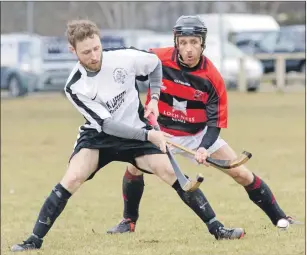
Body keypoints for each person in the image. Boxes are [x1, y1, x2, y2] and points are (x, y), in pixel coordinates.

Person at [11, 19, 245, 252]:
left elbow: (154, 65)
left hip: (136, 134)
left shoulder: (123, 57)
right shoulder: (75, 86)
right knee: (71, 180)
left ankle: (218, 229)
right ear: (73, 51)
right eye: (86, 52)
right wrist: (149, 136)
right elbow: (107, 124)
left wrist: (154, 99)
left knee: (171, 173)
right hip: (99, 138)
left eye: (96, 48)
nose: (94, 56)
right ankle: (33, 240)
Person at [107, 15, 299, 236]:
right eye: (184, 42)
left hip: (197, 133)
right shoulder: (157, 59)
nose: (189, 49)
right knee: (133, 167)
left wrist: (203, 147)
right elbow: (129, 58)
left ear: (202, 43)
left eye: (194, 42)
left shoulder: (212, 78)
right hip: (161, 131)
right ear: (176, 42)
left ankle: (280, 218)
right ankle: (128, 222)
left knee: (241, 173)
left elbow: (215, 123)